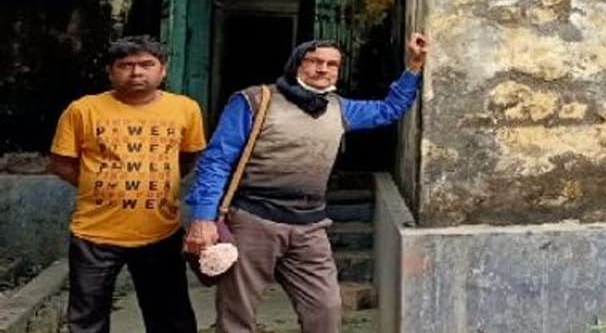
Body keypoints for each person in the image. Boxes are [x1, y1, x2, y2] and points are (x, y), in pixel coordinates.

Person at [183, 33, 428, 333]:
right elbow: (216, 161)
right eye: (314, 61)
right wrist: (203, 218)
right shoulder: (255, 100)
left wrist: (414, 66)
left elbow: (388, 110)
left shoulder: (340, 108)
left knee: (326, 309)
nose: (323, 69)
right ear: (296, 64)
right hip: (253, 221)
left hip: (310, 226)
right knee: (237, 315)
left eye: (332, 64)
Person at [49, 36, 206, 333]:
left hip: (160, 232)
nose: (136, 73)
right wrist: (103, 187)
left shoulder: (185, 109)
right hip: (94, 235)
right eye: (126, 66)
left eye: (147, 64)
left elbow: (188, 158)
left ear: (163, 70)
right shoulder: (83, 109)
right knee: (86, 321)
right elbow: (61, 163)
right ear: (111, 71)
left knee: (171, 319)